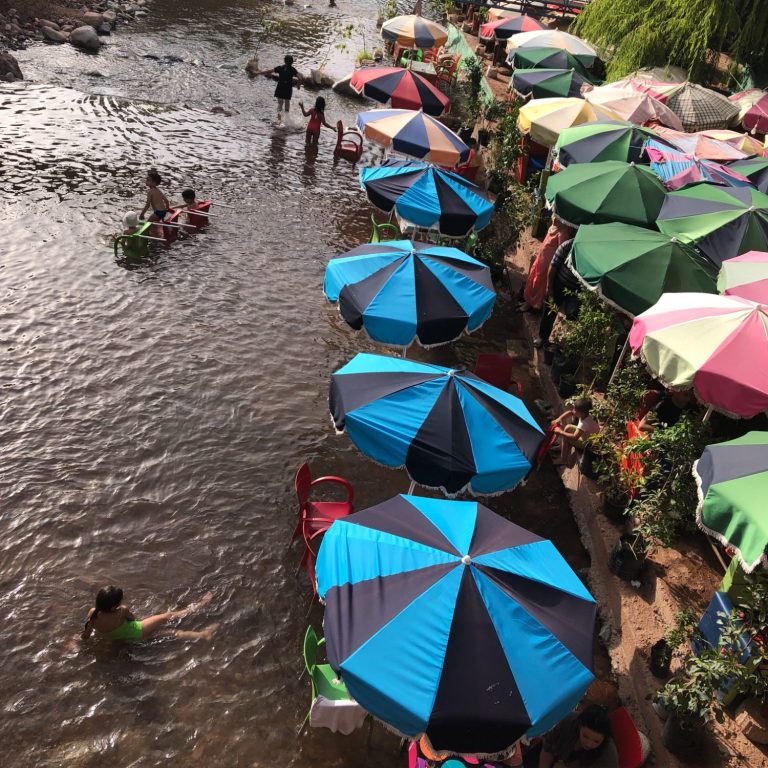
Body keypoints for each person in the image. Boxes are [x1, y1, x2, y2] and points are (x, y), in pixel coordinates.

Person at [80, 585, 218, 643]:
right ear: (115, 605)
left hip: (125, 640)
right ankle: (201, 605)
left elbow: (86, 635)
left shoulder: (93, 614)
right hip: (138, 631)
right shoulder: (122, 611)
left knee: (172, 633)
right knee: (167, 616)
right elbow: (134, 620)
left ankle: (203, 635)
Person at [524, 705, 617, 768]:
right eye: (585, 736)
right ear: (580, 725)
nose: (589, 744)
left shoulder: (608, 757)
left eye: (596, 741)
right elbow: (548, 747)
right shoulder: (569, 722)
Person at [519, 218, 575, 312]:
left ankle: (532, 304)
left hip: (548, 263)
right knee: (533, 277)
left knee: (539, 282)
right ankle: (528, 301)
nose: (553, 217)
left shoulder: (563, 232)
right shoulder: (554, 227)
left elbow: (561, 250)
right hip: (541, 258)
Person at [534, 237, 580, 349]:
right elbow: (553, 266)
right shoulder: (568, 245)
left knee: (572, 315)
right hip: (559, 284)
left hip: (577, 291)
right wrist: (549, 287)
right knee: (550, 310)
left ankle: (558, 343)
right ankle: (542, 337)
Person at [551, 397, 600, 466]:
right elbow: (570, 412)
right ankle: (561, 447)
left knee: (567, 438)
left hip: (588, 444)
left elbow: (574, 437)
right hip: (587, 436)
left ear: (581, 412)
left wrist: (560, 431)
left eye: (575, 409)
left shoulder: (584, 424)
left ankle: (563, 460)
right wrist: (559, 419)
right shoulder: (585, 415)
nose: (573, 411)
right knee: (568, 427)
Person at [259, 54, 300, 122]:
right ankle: (287, 121)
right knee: (287, 103)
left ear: (284, 61)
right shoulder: (293, 70)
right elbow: (300, 77)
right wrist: (298, 85)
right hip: (288, 89)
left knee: (280, 104)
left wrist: (258, 73)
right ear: (292, 62)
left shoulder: (280, 68)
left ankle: (279, 120)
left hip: (280, 88)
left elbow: (269, 71)